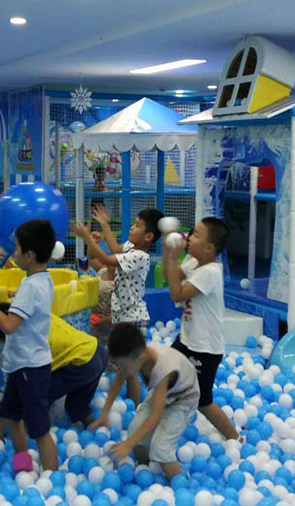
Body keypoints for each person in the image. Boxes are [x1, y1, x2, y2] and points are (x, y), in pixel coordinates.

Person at [0, 220, 58, 472]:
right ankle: (24, 468)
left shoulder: (30, 286)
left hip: (30, 368)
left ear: (30, 254)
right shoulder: (43, 279)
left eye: (16, 249)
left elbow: (8, 325)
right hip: (21, 366)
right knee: (12, 418)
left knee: (40, 429)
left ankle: (53, 479)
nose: (13, 254)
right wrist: (18, 300)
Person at [73, 205, 163, 404]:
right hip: (124, 316)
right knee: (126, 368)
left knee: (130, 369)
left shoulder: (140, 256)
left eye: (137, 226)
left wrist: (86, 237)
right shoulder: (131, 247)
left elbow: (106, 258)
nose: (131, 227)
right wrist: (105, 225)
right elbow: (113, 248)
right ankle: (139, 399)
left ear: (148, 236)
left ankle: (140, 402)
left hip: (133, 318)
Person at [163, 217, 242, 442]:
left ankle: (235, 438)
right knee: (164, 376)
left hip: (204, 349)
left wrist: (171, 256)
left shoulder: (210, 272)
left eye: (196, 235)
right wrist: (168, 249)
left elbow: (177, 294)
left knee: (203, 401)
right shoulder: (193, 261)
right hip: (186, 340)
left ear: (209, 248)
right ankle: (165, 422)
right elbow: (172, 276)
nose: (189, 237)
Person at [89, 323, 199, 480]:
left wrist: (127, 444)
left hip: (184, 398)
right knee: (135, 433)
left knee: (161, 448)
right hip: (163, 392)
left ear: (140, 359)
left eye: (123, 364)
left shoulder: (163, 369)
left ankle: (178, 485)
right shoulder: (139, 355)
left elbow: (155, 416)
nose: (121, 368)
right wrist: (104, 413)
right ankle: (147, 469)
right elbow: (119, 378)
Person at [0, 302, 108, 438]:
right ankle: (100, 431)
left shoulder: (22, 345)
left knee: (36, 399)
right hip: (97, 351)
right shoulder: (37, 314)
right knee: (77, 407)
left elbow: (12, 393)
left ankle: (37, 438)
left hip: (83, 364)